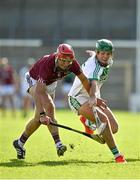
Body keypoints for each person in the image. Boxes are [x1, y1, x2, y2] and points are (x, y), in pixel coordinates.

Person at [13, 43, 103, 159]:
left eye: (68, 61)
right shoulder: (47, 64)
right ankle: (58, 144)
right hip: (34, 80)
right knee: (49, 108)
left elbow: (85, 80)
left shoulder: (72, 63)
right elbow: (39, 92)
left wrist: (92, 96)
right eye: (63, 61)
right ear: (57, 57)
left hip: (50, 83)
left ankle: (19, 143)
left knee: (38, 119)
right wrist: (42, 114)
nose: (66, 64)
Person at [68, 39, 127, 163]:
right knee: (104, 121)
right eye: (102, 53)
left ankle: (88, 122)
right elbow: (93, 83)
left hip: (92, 95)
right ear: (98, 53)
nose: (105, 56)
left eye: (108, 53)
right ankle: (118, 156)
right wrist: (94, 97)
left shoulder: (107, 60)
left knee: (114, 128)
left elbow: (96, 56)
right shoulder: (93, 66)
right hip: (77, 97)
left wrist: (93, 54)